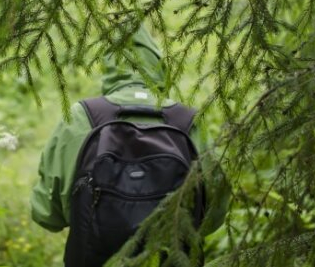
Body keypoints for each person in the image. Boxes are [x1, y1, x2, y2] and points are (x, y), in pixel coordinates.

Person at [30, 26, 229, 266]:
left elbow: (46, 214)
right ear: (159, 65)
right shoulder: (187, 121)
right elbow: (214, 213)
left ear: (109, 67)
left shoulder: (83, 117)